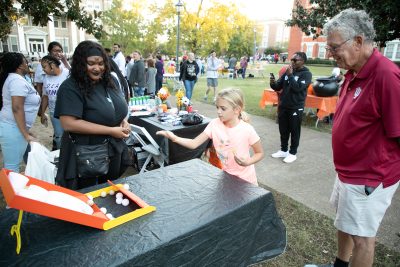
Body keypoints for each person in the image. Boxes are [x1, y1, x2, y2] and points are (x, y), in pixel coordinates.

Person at [307, 9, 400, 267]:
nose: (330, 53)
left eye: (334, 47)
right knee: (345, 222)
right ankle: (340, 264)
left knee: (363, 238)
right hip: (349, 172)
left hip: (370, 177)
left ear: (358, 42)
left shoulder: (386, 76)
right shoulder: (353, 71)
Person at [54, 41, 130, 190]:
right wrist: (110, 130)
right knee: (90, 196)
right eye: (91, 63)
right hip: (87, 156)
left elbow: (115, 108)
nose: (97, 68)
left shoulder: (110, 81)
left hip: (112, 150)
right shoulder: (70, 87)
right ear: (81, 64)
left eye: (101, 63)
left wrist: (123, 121)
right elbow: (69, 123)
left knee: (109, 192)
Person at [157, 88, 264, 185]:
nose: (218, 111)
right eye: (217, 107)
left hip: (246, 181)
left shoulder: (247, 130)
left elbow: (259, 153)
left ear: (236, 109)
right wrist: (175, 138)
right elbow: (194, 143)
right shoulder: (214, 124)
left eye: (223, 108)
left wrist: (248, 162)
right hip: (226, 177)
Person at [0, 52, 41, 172]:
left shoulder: (16, 79)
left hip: (14, 127)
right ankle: (10, 189)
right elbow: (17, 108)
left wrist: (26, 130)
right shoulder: (16, 81)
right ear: (20, 66)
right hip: (12, 128)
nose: (27, 64)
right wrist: (25, 134)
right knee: (12, 167)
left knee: (13, 165)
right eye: (25, 62)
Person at [270, 52, 312, 163]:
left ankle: (292, 153)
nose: (292, 62)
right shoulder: (288, 72)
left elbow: (298, 88)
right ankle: (283, 150)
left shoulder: (306, 74)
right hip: (284, 106)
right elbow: (278, 86)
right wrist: (272, 82)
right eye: (291, 59)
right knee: (283, 129)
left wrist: (290, 75)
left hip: (295, 107)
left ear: (303, 61)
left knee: (294, 130)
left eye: (295, 60)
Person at [39, 55, 69, 150]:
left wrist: (64, 61)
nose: (43, 70)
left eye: (44, 67)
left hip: (68, 112)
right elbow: (45, 96)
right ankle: (62, 158)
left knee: (71, 136)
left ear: (52, 65)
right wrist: (42, 112)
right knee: (59, 137)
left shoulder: (67, 73)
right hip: (54, 113)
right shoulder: (46, 78)